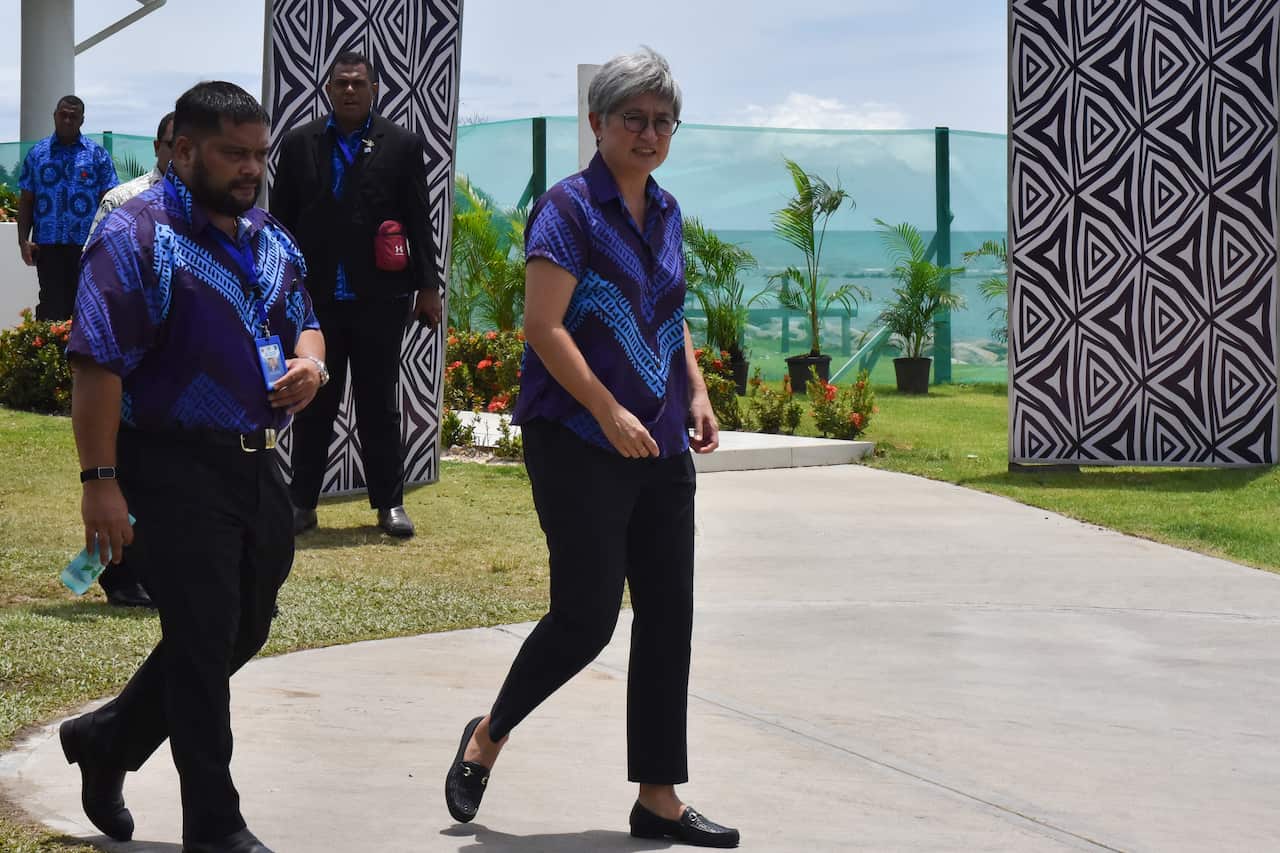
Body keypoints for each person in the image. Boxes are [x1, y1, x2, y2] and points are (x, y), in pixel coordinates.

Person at [443, 48, 739, 849]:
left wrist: (699, 392)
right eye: (633, 119)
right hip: (576, 436)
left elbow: (668, 313)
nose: (648, 134)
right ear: (598, 123)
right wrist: (607, 410)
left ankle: (658, 797)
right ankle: (488, 736)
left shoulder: (669, 212)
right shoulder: (568, 211)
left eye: (661, 121)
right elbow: (541, 328)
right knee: (585, 617)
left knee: (668, 613)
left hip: (660, 437)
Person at [61, 81, 326, 853]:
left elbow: (305, 322)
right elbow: (96, 365)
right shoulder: (135, 235)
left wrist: (311, 366)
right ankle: (216, 824)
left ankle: (108, 737)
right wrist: (99, 482)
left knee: (243, 622)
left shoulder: (268, 234)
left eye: (258, 154)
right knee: (204, 635)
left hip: (256, 463)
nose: (250, 169)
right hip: (169, 463)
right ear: (182, 150)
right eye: (231, 153)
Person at [270, 49, 443, 539]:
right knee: (313, 403)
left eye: (358, 83)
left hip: (380, 298)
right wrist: (277, 288)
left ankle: (390, 505)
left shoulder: (403, 145)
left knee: (379, 405)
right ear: (327, 89)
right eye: (341, 82)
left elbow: (418, 219)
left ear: (373, 90)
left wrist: (428, 288)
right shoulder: (300, 143)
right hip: (315, 301)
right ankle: (301, 503)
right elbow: (279, 223)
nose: (349, 90)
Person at [79, 111, 177, 610]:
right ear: (162, 147)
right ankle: (116, 578)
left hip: (173, 370)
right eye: (171, 143)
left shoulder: (207, 207)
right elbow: (95, 276)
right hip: (126, 357)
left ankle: (154, 573)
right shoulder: (124, 201)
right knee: (117, 475)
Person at [16, 95, 118, 320]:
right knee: (50, 306)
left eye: (74, 116)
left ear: (82, 120)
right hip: (48, 246)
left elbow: (110, 201)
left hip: (86, 246)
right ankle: (51, 354)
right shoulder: (37, 153)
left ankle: (82, 356)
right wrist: (23, 240)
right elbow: (26, 201)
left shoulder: (97, 155)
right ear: (55, 116)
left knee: (86, 307)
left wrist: (106, 243)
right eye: (63, 115)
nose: (68, 120)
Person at [86, 111, 175, 242]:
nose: (183, 153)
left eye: (191, 146)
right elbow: (96, 257)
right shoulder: (120, 199)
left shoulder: (209, 207)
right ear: (156, 147)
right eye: (173, 145)